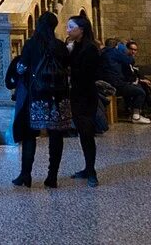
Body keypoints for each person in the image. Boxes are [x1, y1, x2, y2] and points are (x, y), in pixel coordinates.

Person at [8, 11, 71, 188]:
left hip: (36, 96)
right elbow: (67, 66)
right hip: (57, 96)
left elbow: (22, 68)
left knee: (29, 135)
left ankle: (25, 175)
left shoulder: (32, 44)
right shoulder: (60, 45)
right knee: (56, 136)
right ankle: (52, 177)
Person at [65, 11, 102, 187]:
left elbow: (88, 72)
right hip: (77, 94)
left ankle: (92, 170)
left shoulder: (90, 48)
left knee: (87, 133)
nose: (68, 30)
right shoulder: (76, 46)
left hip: (86, 95)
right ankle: (88, 168)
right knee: (82, 133)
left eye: (71, 27)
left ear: (81, 29)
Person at [101, 40, 151, 124]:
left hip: (108, 83)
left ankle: (133, 112)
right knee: (140, 92)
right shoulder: (114, 52)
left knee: (133, 88)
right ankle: (136, 116)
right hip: (116, 84)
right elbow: (130, 61)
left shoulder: (103, 52)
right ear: (116, 46)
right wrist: (123, 50)